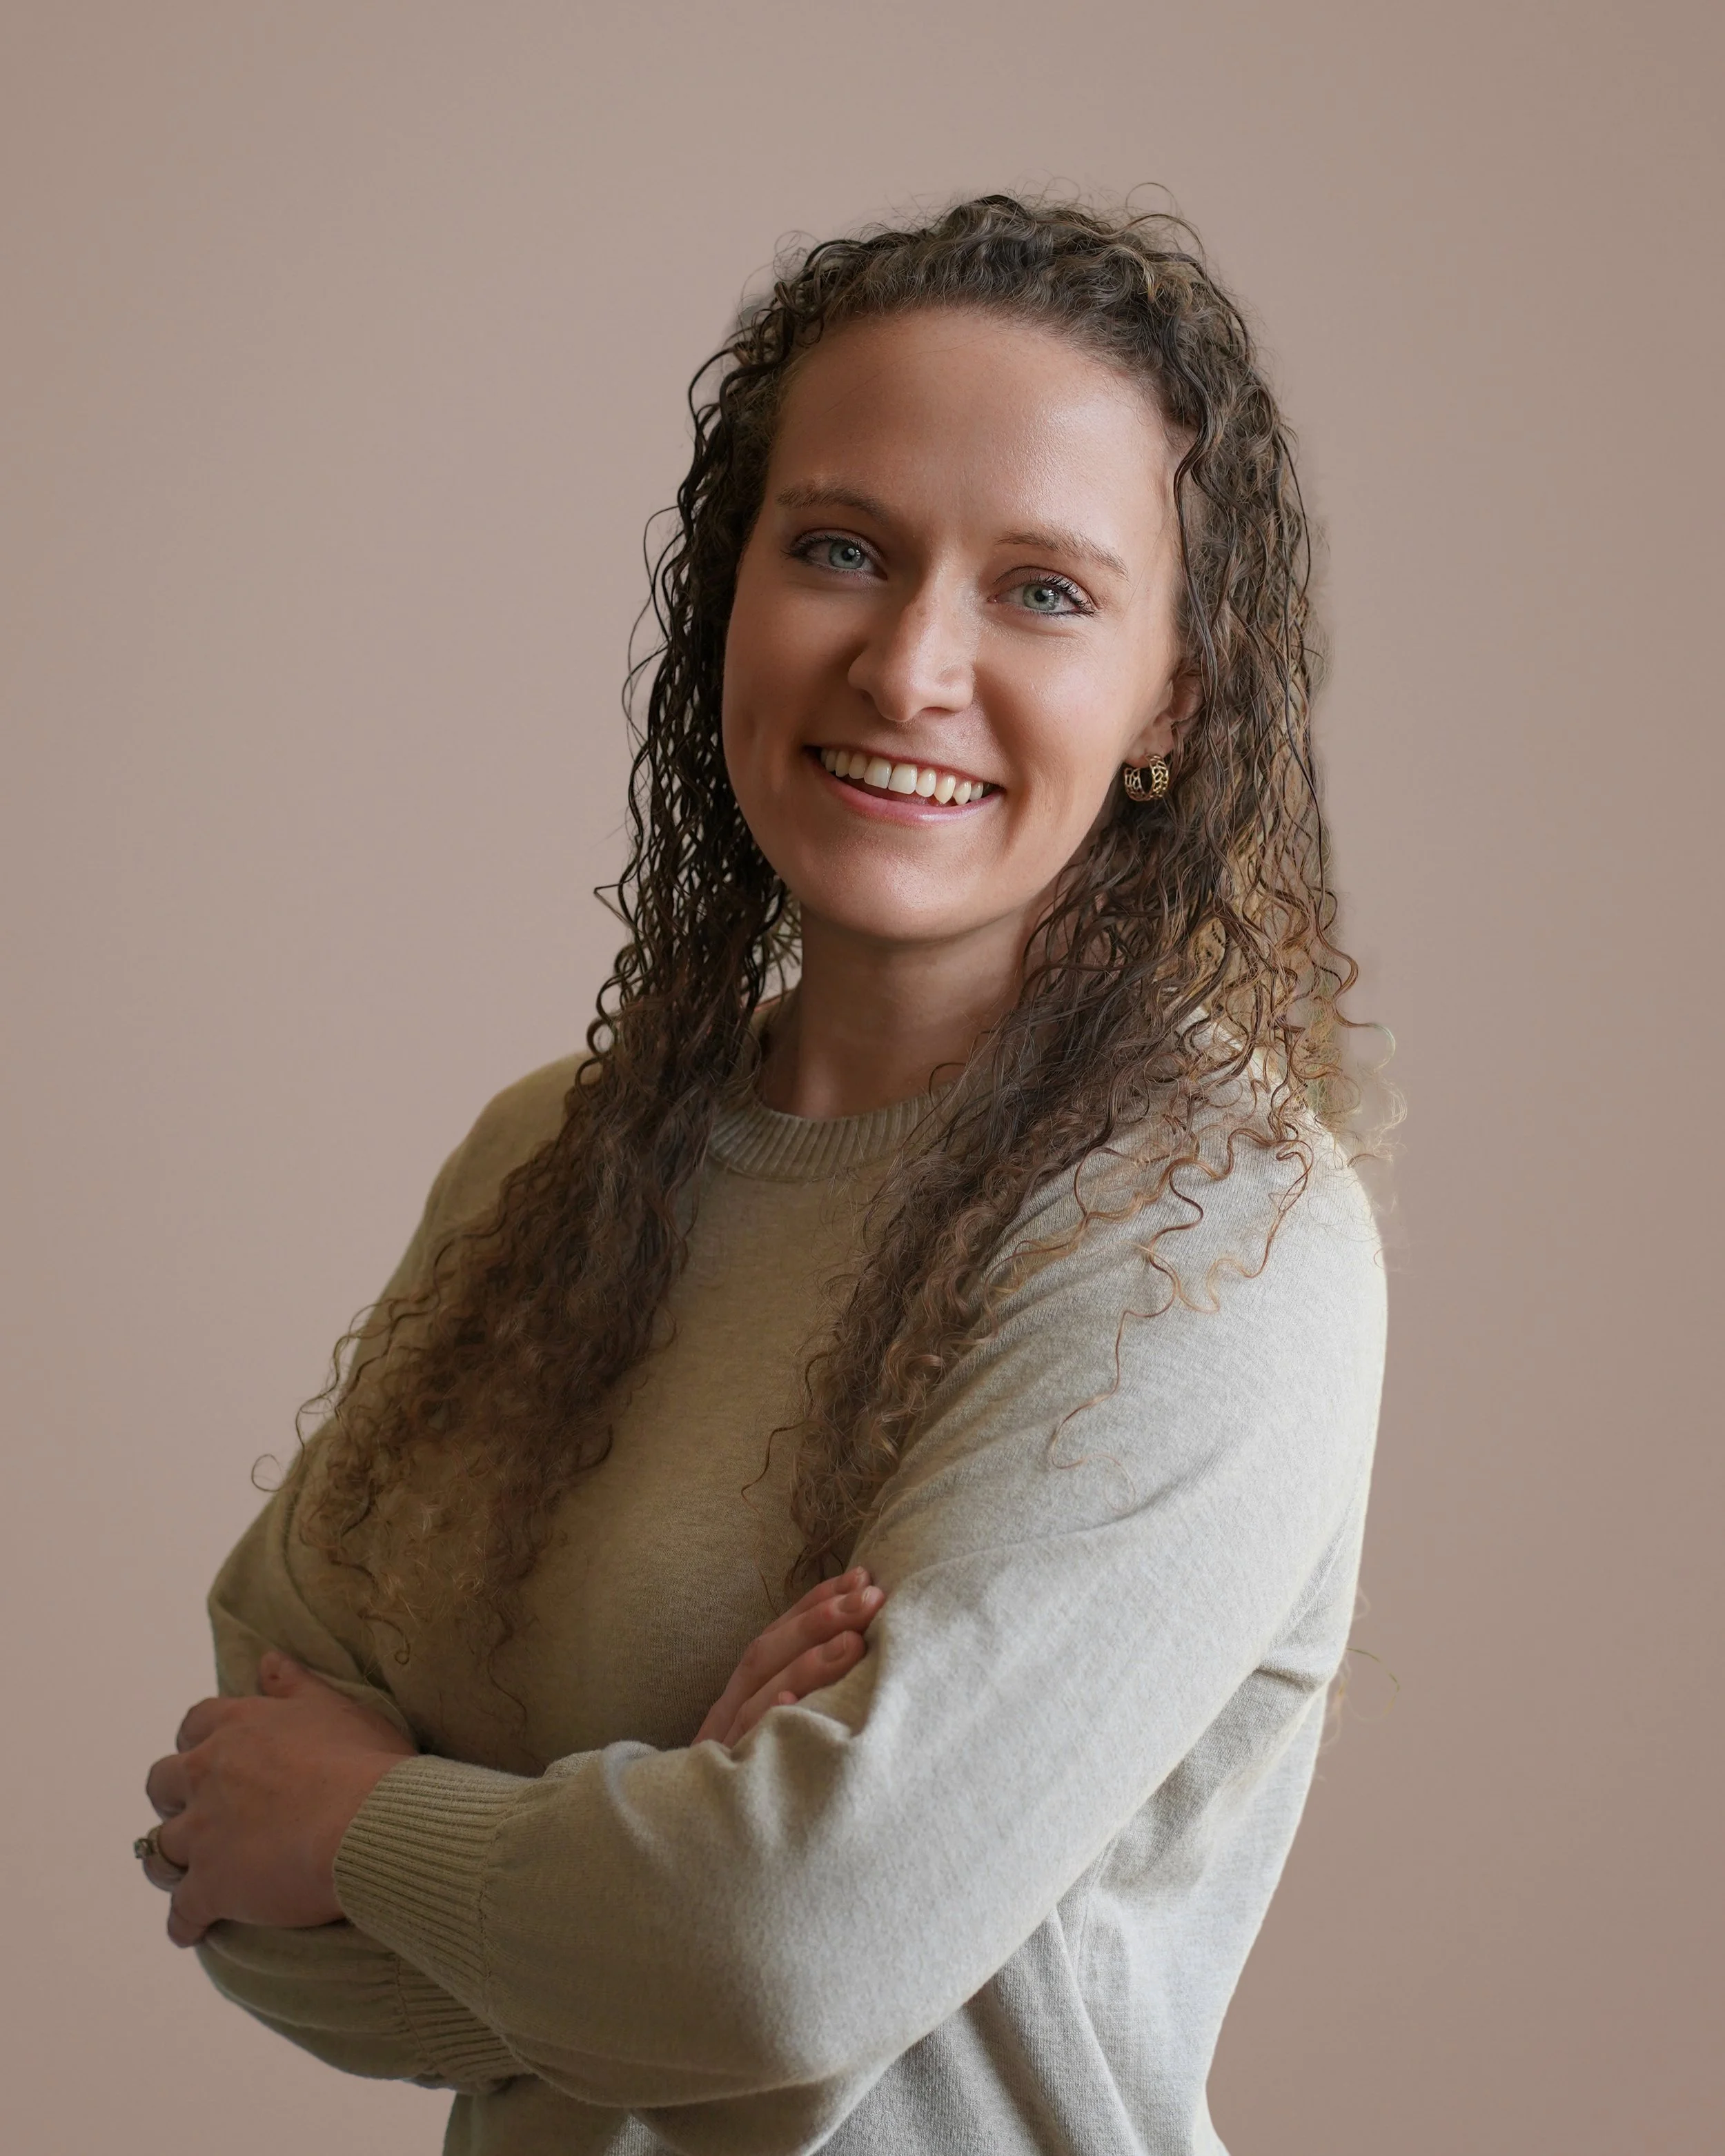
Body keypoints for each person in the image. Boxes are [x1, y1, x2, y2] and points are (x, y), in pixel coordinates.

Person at [136, 194, 1387, 2156]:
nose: (907, 667)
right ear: (730, 592)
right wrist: (630, 1883)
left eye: (1043, 590)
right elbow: (231, 1848)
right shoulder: (546, 1159)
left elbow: (776, 1959)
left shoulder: (1209, 1238)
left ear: (1174, 703)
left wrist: (382, 1828)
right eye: (837, 551)